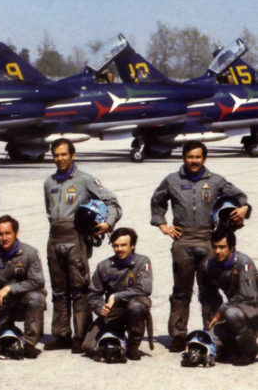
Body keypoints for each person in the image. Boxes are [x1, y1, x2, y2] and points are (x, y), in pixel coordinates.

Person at [150, 140, 250, 352]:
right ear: (183, 157)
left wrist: (244, 208)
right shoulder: (172, 180)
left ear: (204, 158)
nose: (194, 161)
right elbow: (157, 201)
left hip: (208, 239)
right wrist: (162, 224)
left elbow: (240, 196)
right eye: (190, 157)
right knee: (181, 291)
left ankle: (212, 332)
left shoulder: (216, 181)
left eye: (197, 157)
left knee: (209, 290)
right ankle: (178, 335)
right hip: (183, 239)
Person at [43, 138, 121, 352]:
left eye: (63, 154)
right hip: (54, 237)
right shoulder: (49, 182)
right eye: (56, 155)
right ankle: (61, 335)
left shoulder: (85, 180)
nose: (60, 159)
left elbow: (112, 202)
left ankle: (81, 335)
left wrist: (108, 223)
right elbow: (49, 210)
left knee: (79, 288)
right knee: (59, 290)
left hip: (75, 237)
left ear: (72, 155)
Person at [0, 215, 46, 358]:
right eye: (0, 234)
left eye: (8, 233)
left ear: (16, 233)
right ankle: (9, 331)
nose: (4, 238)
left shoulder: (30, 253)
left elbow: (38, 281)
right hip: (0, 305)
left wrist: (10, 288)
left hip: (23, 303)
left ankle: (29, 344)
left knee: (37, 297)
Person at [83, 227, 152, 361]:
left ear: (132, 246)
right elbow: (93, 293)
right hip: (113, 311)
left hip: (134, 308)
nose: (119, 249)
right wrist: (100, 308)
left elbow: (145, 289)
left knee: (136, 306)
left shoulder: (143, 262)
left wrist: (116, 296)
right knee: (88, 347)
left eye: (123, 245)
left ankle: (133, 347)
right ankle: (117, 337)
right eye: (116, 245)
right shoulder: (104, 266)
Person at [199, 228, 257, 366]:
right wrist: (215, 311)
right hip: (236, 308)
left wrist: (221, 310)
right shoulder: (210, 266)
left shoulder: (244, 263)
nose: (217, 251)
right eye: (215, 247)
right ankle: (234, 346)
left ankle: (249, 351)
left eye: (222, 247)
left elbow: (247, 295)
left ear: (232, 248)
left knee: (231, 314)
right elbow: (207, 290)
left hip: (253, 306)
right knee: (211, 340)